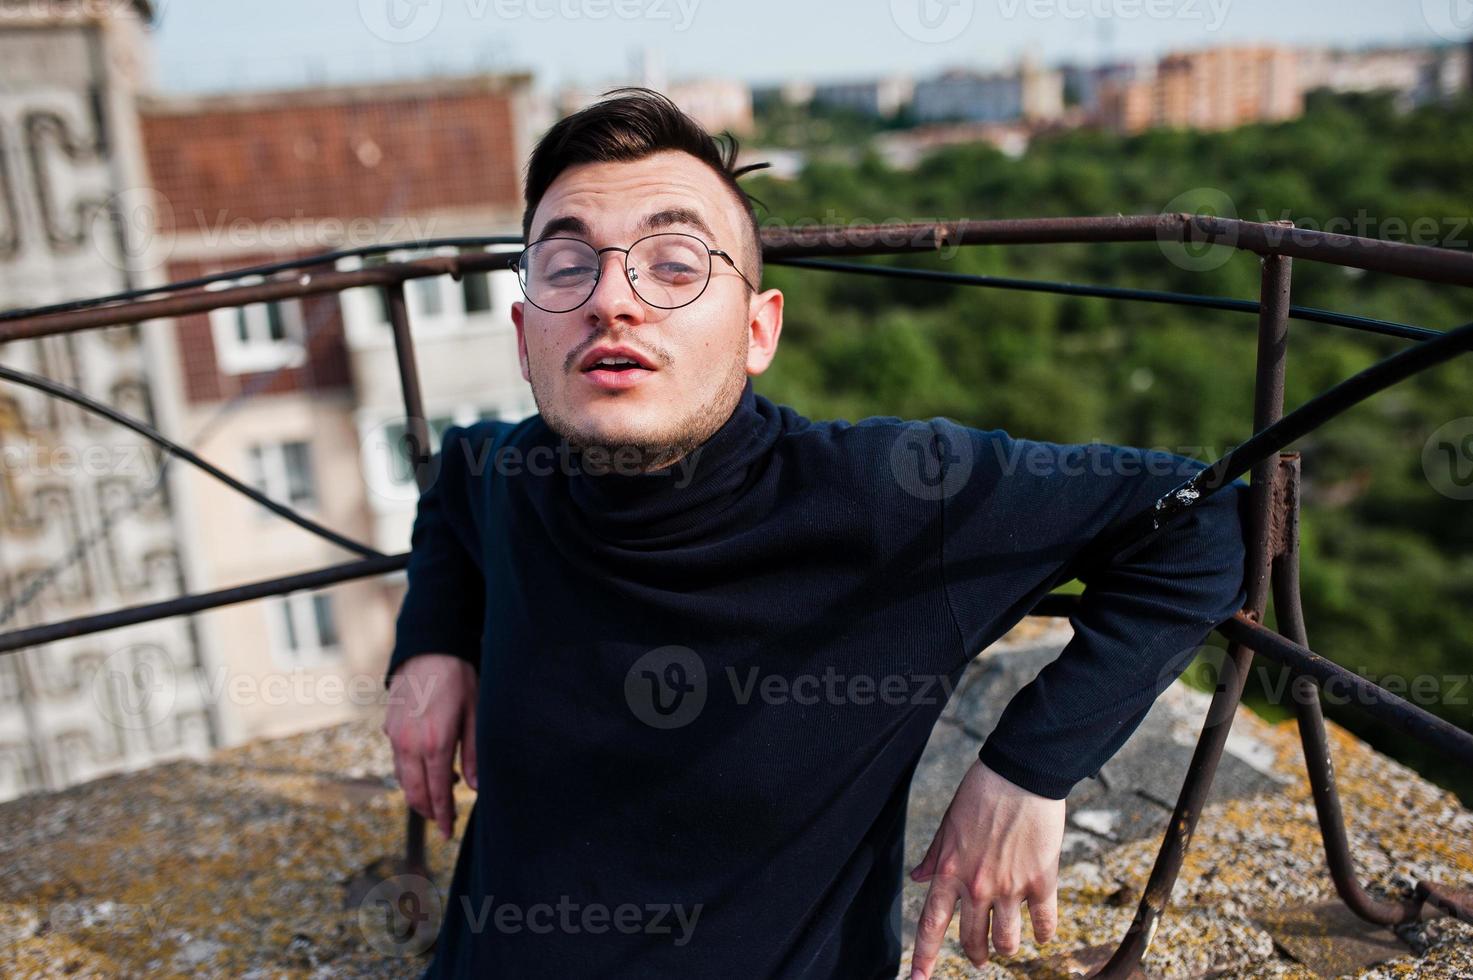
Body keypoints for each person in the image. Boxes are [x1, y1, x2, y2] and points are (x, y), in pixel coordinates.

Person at [380, 87, 1249, 979]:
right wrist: (432, 644)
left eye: (674, 264)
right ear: (525, 337)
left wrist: (1030, 765)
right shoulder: (511, 476)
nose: (613, 299)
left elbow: (1209, 516)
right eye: (567, 266)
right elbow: (453, 476)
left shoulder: (892, 503)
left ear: (759, 330)